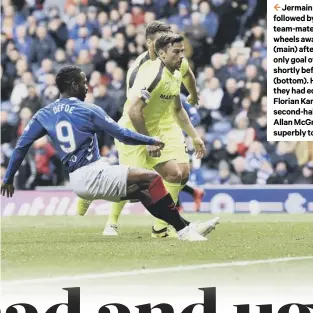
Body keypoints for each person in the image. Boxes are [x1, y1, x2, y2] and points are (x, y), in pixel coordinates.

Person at [0, 65, 214, 242]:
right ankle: (184, 231)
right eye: (84, 82)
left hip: (77, 180)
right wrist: (150, 140)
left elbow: (21, 147)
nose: (87, 86)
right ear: (73, 85)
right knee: (152, 178)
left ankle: (185, 227)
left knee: (141, 192)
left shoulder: (43, 114)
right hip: (92, 173)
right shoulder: (89, 110)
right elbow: (121, 134)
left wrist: (8, 178)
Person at [77, 21, 208, 237]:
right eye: (161, 40)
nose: (168, 43)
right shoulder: (142, 72)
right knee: (134, 188)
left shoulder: (175, 61)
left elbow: (186, 77)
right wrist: (147, 140)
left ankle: (161, 227)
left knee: (179, 174)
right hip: (137, 127)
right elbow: (134, 110)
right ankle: (97, 197)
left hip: (164, 121)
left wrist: (193, 96)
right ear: (151, 44)